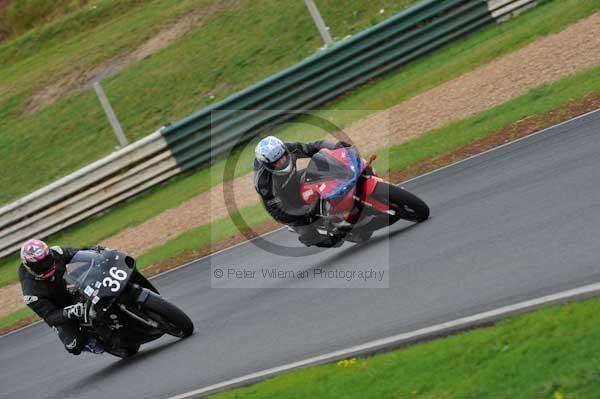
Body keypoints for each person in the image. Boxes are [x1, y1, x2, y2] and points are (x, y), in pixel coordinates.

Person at [254, 136, 351, 247]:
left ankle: (343, 198)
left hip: (294, 181)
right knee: (327, 241)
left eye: (283, 157)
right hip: (284, 203)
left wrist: (336, 148)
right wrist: (305, 212)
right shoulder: (263, 183)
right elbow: (277, 212)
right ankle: (313, 233)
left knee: (320, 171)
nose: (282, 162)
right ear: (267, 165)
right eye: (276, 162)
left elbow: (313, 147)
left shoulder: (288, 148)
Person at [18, 239, 106, 355]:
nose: (45, 266)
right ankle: (88, 341)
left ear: (49, 254)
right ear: (29, 267)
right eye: (39, 265)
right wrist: (69, 312)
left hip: (71, 288)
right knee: (74, 345)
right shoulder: (31, 293)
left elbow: (78, 253)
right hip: (60, 309)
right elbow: (49, 316)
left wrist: (98, 252)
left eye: (47, 260)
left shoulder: (56, 252)